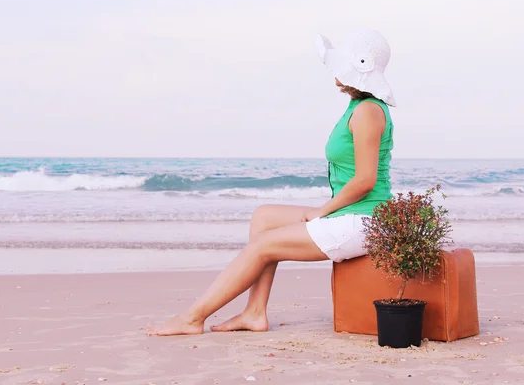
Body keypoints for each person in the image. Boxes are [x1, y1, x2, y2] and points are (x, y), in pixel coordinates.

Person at [148, 29, 395, 336]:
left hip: (366, 221)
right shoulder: (357, 108)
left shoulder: (369, 112)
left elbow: (365, 180)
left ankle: (192, 318)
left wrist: (322, 210)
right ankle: (254, 312)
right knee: (264, 217)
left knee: (262, 246)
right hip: (354, 213)